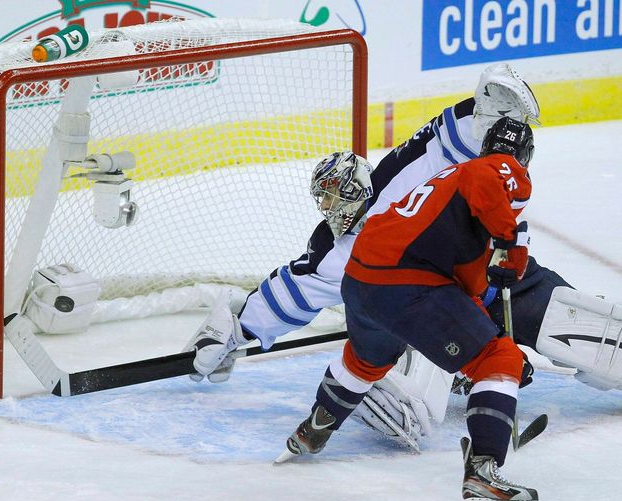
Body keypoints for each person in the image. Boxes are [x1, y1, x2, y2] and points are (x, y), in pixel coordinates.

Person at [187, 63, 619, 448]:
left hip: (489, 276)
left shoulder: (396, 179)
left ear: (362, 181)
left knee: (589, 335)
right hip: (427, 304)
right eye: (328, 201)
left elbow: (446, 143)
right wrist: (237, 328)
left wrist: (488, 115)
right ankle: (447, 378)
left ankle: (461, 370)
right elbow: (294, 290)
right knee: (408, 388)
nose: (336, 206)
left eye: (344, 192)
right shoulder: (332, 249)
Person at [278, 117, 541, 501]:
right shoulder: (497, 168)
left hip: (362, 279)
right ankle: (484, 478)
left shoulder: (446, 179)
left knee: (366, 361)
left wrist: (479, 321)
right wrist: (510, 246)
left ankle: (314, 428)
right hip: (405, 284)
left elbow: (461, 285)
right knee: (498, 360)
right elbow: (489, 181)